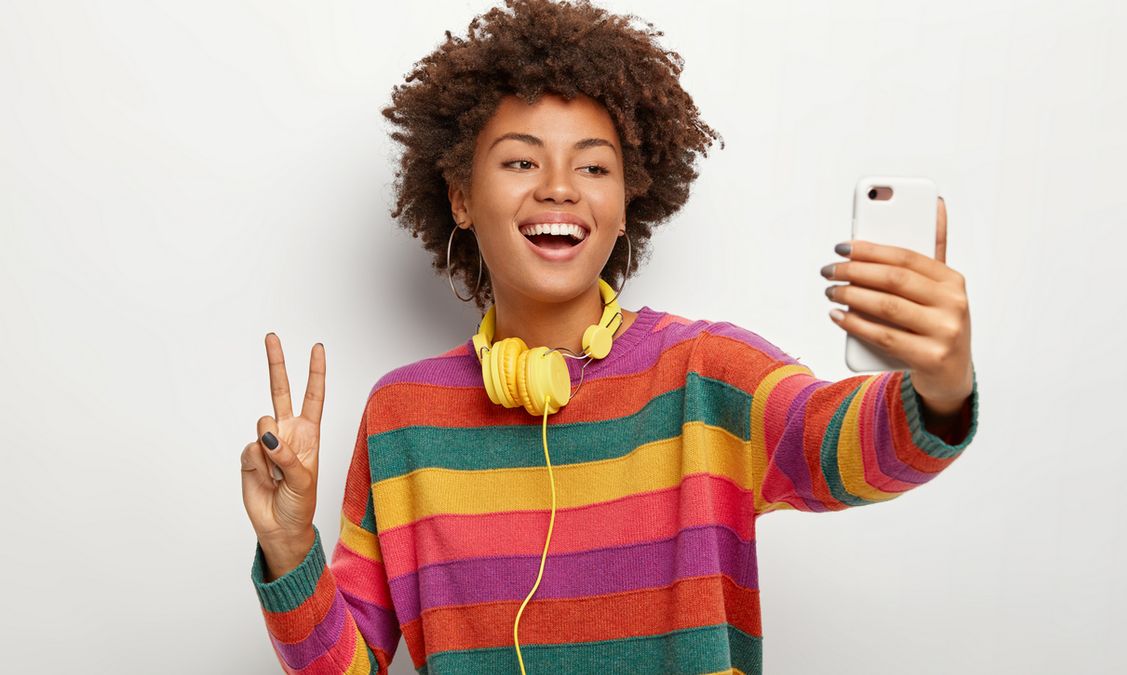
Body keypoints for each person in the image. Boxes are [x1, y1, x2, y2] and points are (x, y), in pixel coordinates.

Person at [239, 1, 980, 673]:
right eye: (522, 160)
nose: (559, 186)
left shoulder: (705, 373)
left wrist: (940, 385)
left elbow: (849, 446)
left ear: (626, 204)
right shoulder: (402, 416)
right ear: (461, 196)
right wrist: (290, 548)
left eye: (593, 166)